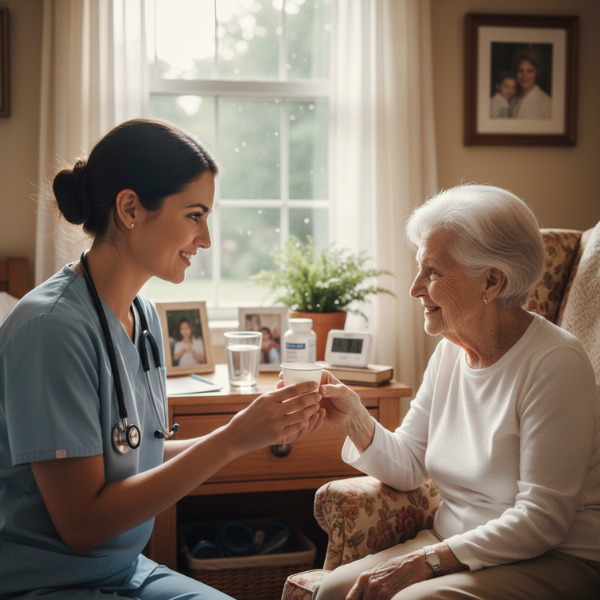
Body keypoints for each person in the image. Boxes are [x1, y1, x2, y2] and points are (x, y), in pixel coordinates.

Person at [0, 118, 324, 600]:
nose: (208, 239)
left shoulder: (144, 315)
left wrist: (255, 431)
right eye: (195, 215)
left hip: (124, 570)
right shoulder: (51, 329)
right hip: (46, 581)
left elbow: (136, 453)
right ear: (130, 208)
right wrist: (233, 439)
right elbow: (83, 524)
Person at [305, 184, 600, 599]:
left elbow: (543, 519)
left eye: (432, 272)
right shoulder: (450, 353)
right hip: (452, 544)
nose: (414, 288)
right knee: (333, 591)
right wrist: (355, 418)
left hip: (554, 556)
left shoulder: (555, 363)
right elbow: (409, 463)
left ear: (492, 282)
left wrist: (425, 563)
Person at [511, 50, 552, 119]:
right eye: (520, 70)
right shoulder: (511, 99)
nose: (524, 76)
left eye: (530, 71)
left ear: (537, 72)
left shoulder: (547, 103)